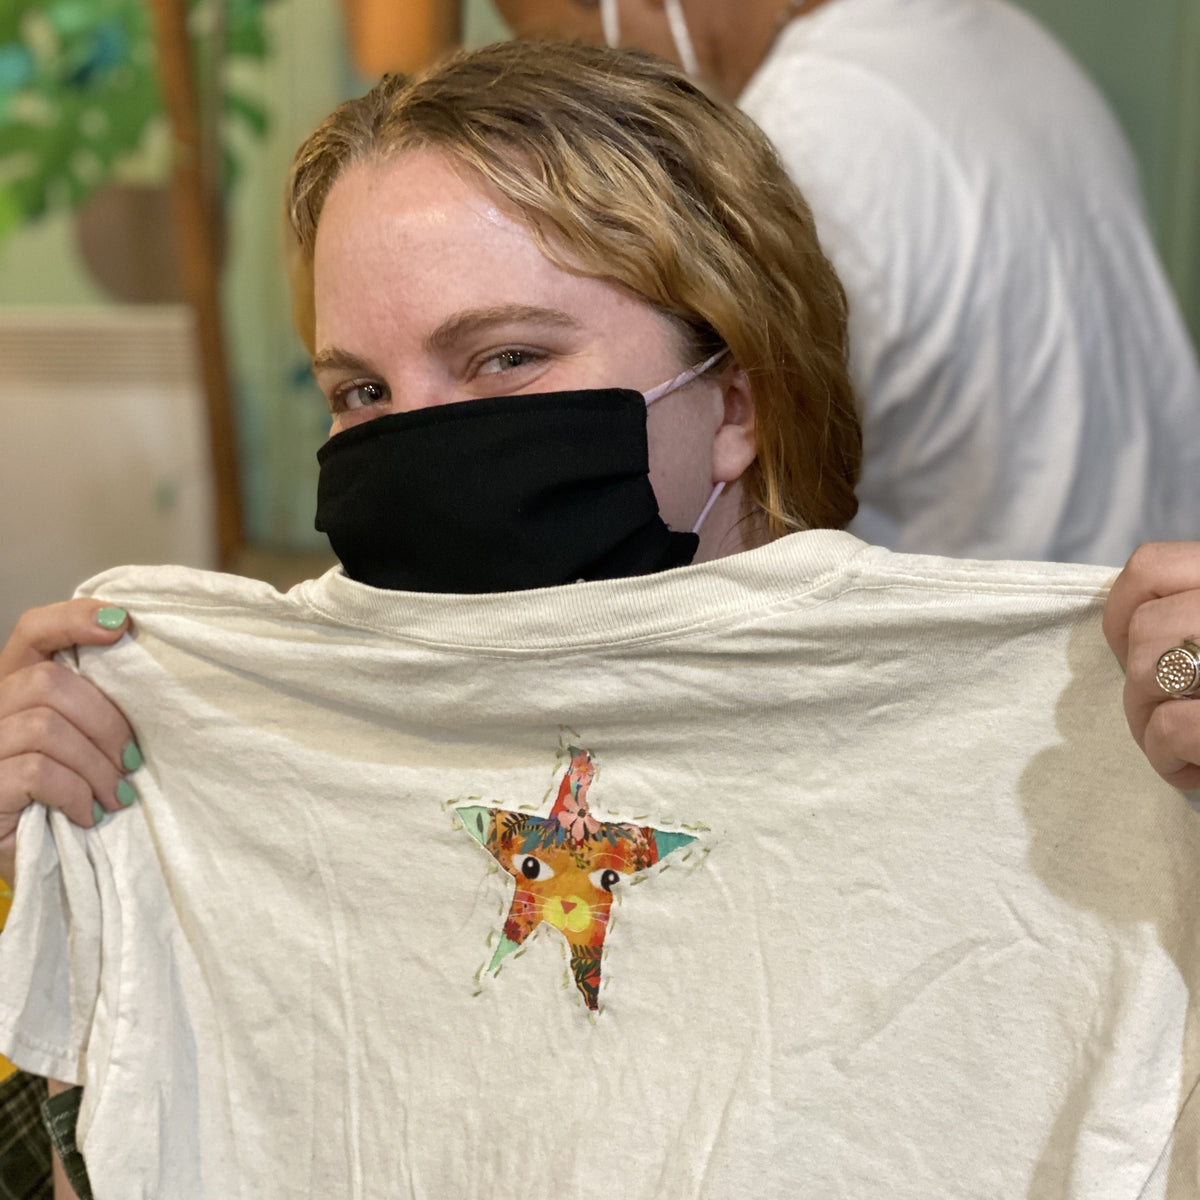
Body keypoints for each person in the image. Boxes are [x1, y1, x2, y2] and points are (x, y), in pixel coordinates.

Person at [1, 39, 1199, 1199]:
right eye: (360, 391)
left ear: (737, 399)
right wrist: (28, 857)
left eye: (508, 359)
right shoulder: (208, 721)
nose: (417, 436)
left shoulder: (1052, 741)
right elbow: (101, 1149)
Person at [495, 0, 1200, 564]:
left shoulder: (801, 133)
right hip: (1149, 577)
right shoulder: (995, 30)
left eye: (581, 47)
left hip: (1011, 646)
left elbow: (756, 497)